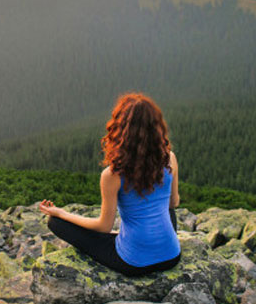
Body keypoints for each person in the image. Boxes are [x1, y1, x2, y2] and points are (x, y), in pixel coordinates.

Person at [39, 92, 181, 276]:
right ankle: (154, 242)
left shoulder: (112, 174)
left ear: (120, 130)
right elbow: (173, 203)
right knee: (163, 209)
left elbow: (104, 227)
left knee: (56, 223)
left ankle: (133, 241)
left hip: (134, 263)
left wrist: (62, 213)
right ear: (157, 127)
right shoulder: (169, 158)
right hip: (171, 256)